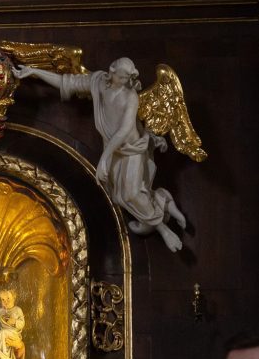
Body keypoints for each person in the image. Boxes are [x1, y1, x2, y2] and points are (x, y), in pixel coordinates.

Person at [13, 57, 189, 251]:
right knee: (120, 197)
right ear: (111, 71)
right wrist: (34, 72)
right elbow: (66, 82)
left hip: (133, 149)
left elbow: (124, 130)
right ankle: (164, 201)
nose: (125, 82)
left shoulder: (130, 96)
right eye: (122, 78)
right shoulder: (97, 82)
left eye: (128, 79)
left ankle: (164, 230)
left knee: (131, 193)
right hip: (116, 150)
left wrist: (105, 157)